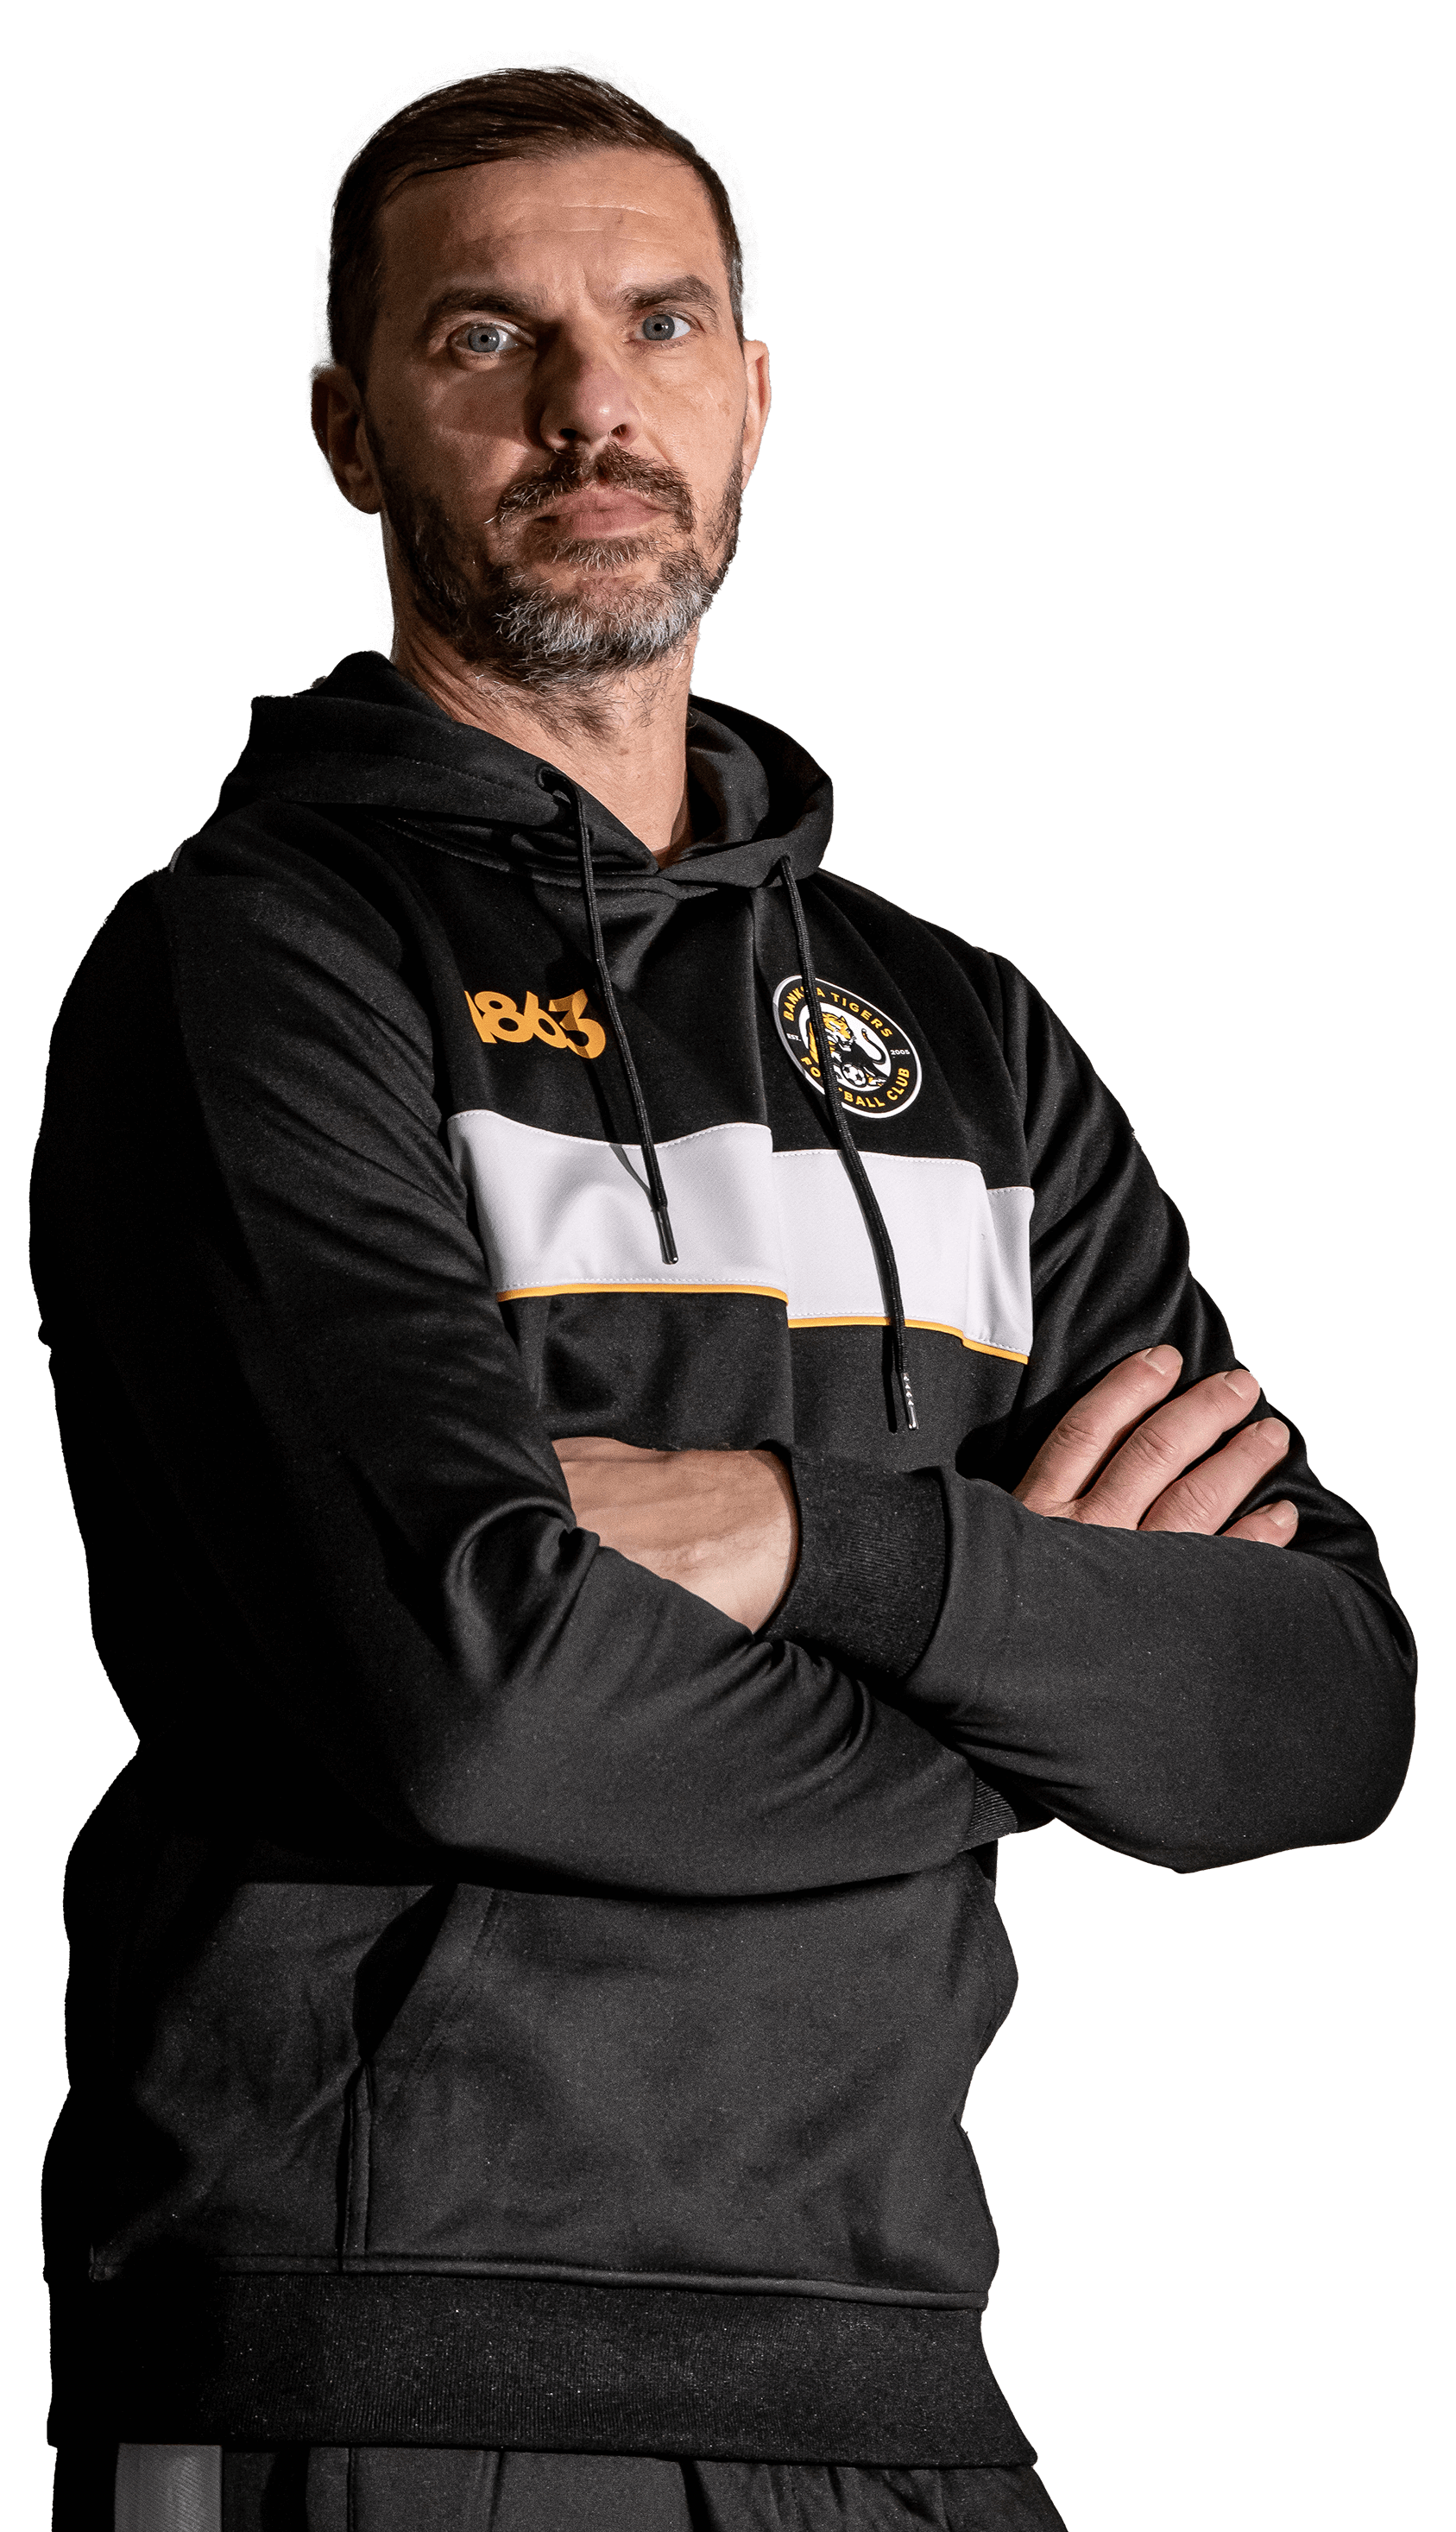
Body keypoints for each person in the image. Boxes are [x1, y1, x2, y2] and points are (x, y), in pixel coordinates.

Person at [34, 57, 1415, 2532]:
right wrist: (1035, 1705)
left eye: (659, 323)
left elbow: (1323, 1711)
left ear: (752, 400)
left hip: (903, 2370)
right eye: (488, 338)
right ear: (346, 433)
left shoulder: (963, 1031)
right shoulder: (259, 965)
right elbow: (476, 1710)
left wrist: (811, 1541)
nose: (592, 403)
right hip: (399, 2357)